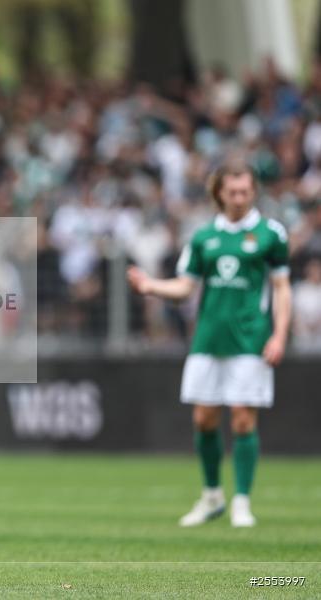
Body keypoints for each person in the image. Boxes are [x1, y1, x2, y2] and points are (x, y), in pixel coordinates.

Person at [128, 159, 291, 528]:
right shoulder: (203, 238)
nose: (239, 197)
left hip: (251, 338)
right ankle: (212, 495)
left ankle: (242, 502)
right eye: (233, 191)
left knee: (243, 419)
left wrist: (279, 334)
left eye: (246, 191)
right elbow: (185, 286)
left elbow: (281, 289)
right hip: (207, 338)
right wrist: (151, 286)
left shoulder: (271, 234)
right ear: (219, 192)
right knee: (203, 417)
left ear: (253, 192)